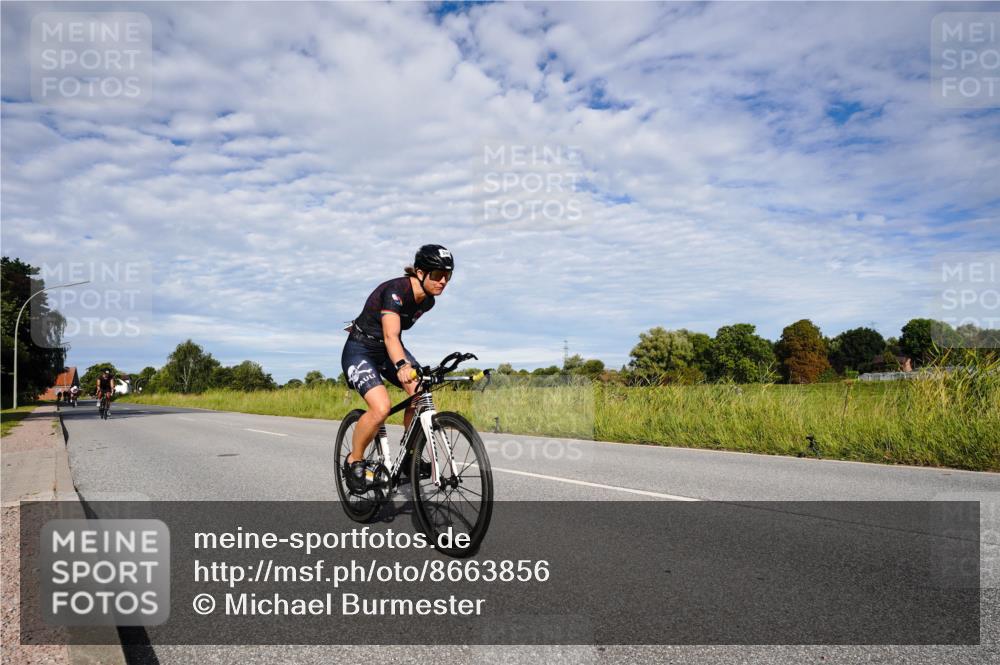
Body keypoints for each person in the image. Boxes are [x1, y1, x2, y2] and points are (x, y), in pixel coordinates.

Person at [340, 244, 454, 492]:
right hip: (361, 349)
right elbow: (391, 335)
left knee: (421, 393)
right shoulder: (396, 291)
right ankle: (354, 461)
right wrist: (402, 364)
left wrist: (406, 365)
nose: (443, 281)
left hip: (388, 350)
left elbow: (394, 340)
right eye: (437, 275)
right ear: (420, 273)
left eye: (448, 275)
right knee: (381, 408)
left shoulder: (428, 302)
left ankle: (409, 454)